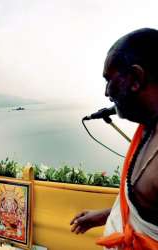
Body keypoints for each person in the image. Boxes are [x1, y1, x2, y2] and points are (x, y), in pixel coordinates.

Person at [70, 28, 158, 249]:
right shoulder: (149, 128)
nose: (106, 93)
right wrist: (101, 217)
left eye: (110, 80)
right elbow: (146, 207)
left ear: (136, 79)